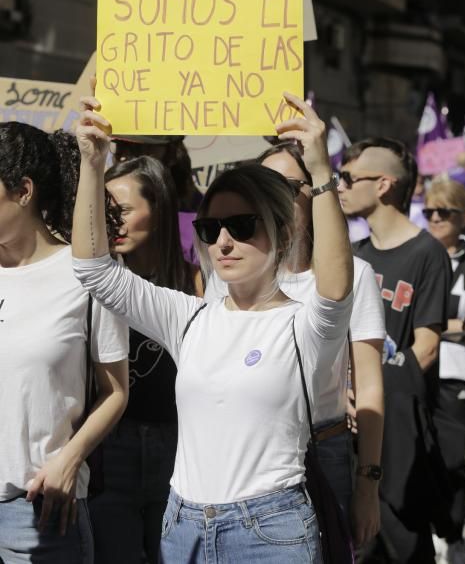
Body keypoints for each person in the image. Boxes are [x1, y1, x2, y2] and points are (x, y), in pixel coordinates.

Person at [72, 92, 353, 563]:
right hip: (183, 527)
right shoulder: (190, 318)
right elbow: (94, 270)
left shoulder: (304, 323)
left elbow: (336, 287)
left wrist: (321, 174)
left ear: (282, 234)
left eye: (243, 226)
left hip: (271, 530)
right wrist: (92, 165)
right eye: (210, 229)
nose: (224, 241)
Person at [205, 140, 386, 548]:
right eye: (261, 186)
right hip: (242, 449)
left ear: (316, 191)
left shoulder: (355, 276)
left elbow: (371, 387)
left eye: (286, 185)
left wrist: (367, 486)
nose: (272, 197)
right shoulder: (229, 272)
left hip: (323, 451)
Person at [0, 122, 128, 564]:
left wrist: (70, 461)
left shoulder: (88, 277)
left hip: (37, 510)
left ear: (24, 191)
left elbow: (116, 391)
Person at [338, 136, 452, 563]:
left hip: (403, 433)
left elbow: (425, 350)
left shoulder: (427, 252)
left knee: (403, 547)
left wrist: (365, 385)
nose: (341, 186)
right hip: (352, 426)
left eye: (348, 177)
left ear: (383, 184)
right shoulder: (354, 255)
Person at [89, 156, 202, 564]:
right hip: (108, 449)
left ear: (160, 210)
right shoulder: (91, 284)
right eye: (105, 212)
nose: (112, 222)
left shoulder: (196, 282)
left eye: (122, 210)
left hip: (177, 449)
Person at [424, 180, 465, 562]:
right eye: (429, 213)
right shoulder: (420, 254)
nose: (435, 219)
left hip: (458, 376)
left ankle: (452, 533)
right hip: (421, 372)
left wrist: (440, 326)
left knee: (452, 459)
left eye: (444, 213)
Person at [112, 135, 202, 265]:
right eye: (120, 146)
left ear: (171, 153)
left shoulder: (198, 222)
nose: (123, 157)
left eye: (137, 147)